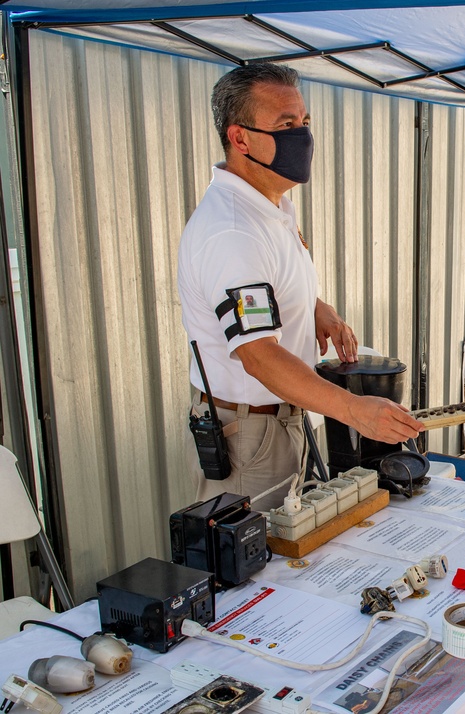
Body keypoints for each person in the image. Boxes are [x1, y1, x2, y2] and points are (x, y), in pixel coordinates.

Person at [178, 63, 421, 510]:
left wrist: (313, 305)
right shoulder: (234, 231)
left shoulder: (271, 207)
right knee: (256, 573)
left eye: (304, 122)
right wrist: (352, 409)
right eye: (285, 124)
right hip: (250, 436)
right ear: (240, 138)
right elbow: (259, 356)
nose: (302, 135)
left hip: (279, 420)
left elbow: (267, 288)